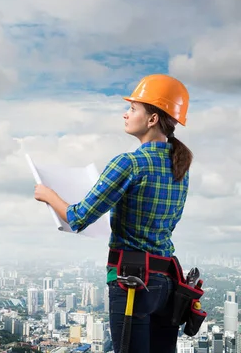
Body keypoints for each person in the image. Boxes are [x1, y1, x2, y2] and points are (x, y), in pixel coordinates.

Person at [33, 74, 193, 353]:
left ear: (152, 118)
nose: (126, 114)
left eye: (133, 109)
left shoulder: (129, 163)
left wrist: (47, 194)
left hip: (134, 284)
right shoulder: (179, 167)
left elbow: (77, 218)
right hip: (166, 283)